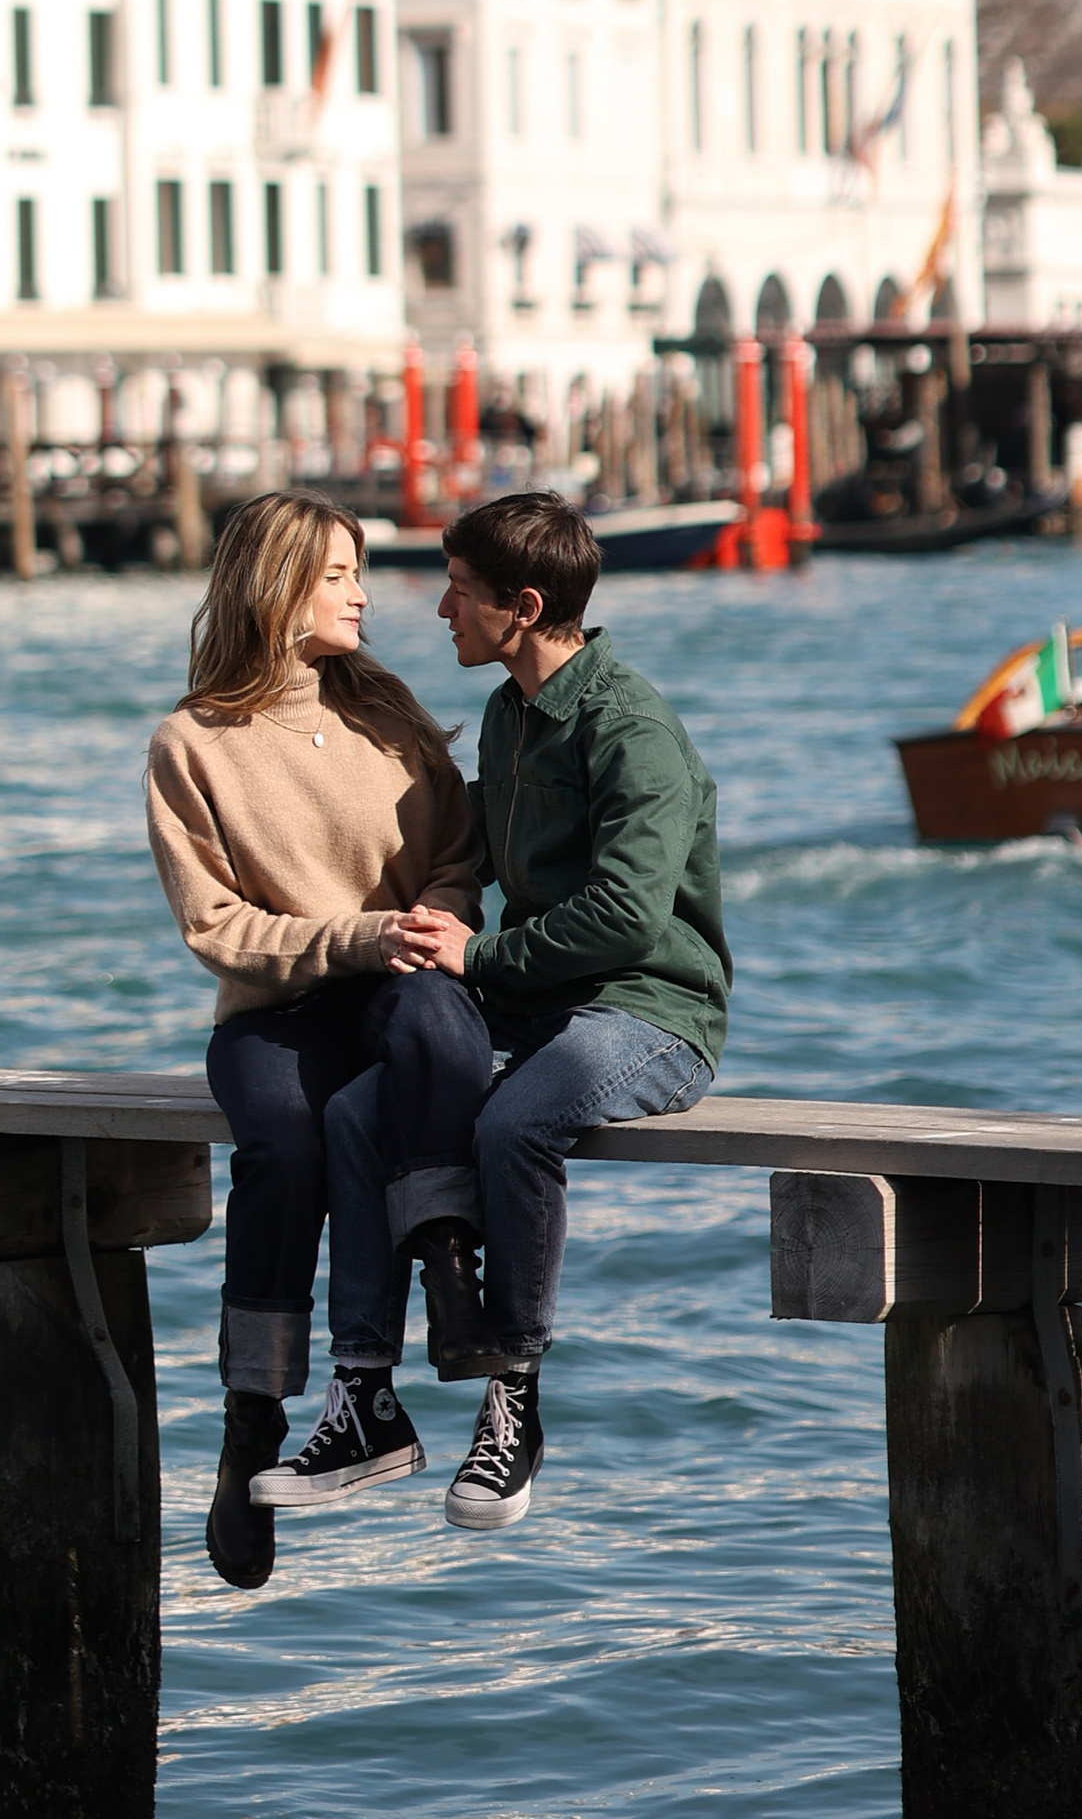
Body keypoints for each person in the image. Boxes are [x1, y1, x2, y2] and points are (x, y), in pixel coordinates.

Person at [364, 487, 732, 1535]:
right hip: (536, 1001)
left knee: (515, 1121)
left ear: (521, 608)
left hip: (652, 1012)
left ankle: (512, 1393)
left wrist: (478, 956)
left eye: (460, 592)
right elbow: (474, 843)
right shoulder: (505, 710)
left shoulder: (631, 730)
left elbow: (624, 918)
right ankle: (377, 1370)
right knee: (362, 1104)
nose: (441, 609)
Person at [147, 492, 494, 1588]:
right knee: (285, 1149)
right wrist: (356, 936)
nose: (361, 593)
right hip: (277, 1011)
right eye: (338, 573)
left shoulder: (386, 710)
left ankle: (445, 1270)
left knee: (436, 1035)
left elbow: (457, 849)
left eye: (356, 572)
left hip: (403, 986)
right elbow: (216, 928)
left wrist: (441, 918)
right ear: (279, 585)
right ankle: (250, 1422)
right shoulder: (192, 744)